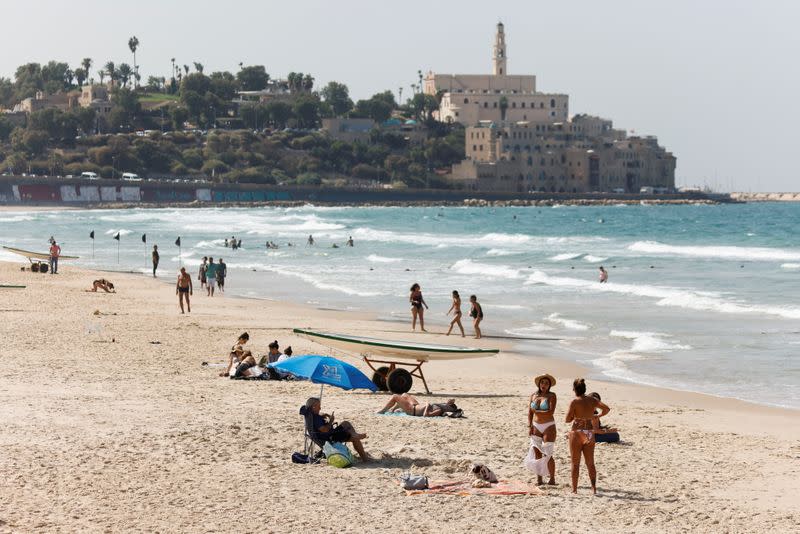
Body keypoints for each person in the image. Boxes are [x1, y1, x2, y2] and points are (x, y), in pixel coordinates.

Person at [565, 378, 610, 494]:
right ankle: (593, 488)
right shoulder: (593, 400)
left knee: (575, 462)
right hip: (589, 432)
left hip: (577, 432)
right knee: (590, 463)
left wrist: (574, 417)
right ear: (585, 389)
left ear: (574, 389)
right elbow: (607, 409)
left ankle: (574, 489)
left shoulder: (574, 402)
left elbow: (567, 420)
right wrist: (597, 416)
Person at [305, 397, 370, 461]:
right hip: (329, 438)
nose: (320, 408)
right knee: (354, 437)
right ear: (313, 407)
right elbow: (324, 430)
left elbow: (319, 425)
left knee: (346, 424)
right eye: (318, 406)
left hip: (326, 436)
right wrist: (331, 421)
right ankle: (365, 458)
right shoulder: (316, 419)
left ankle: (355, 435)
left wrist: (322, 415)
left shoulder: (311, 415)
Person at [527, 374, 557, 485]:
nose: (544, 385)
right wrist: (529, 425)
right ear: (539, 384)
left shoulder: (552, 396)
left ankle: (552, 478)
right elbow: (530, 412)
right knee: (537, 453)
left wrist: (536, 411)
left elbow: (550, 411)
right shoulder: (533, 395)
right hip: (536, 426)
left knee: (547, 453)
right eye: (542, 382)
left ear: (549, 386)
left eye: (546, 383)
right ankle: (539, 479)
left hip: (548, 426)